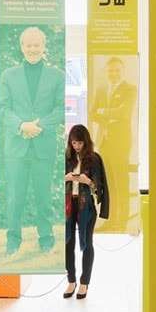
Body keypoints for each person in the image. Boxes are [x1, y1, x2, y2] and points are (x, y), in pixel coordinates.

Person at [0, 26, 66, 256]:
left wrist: (39, 125)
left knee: (44, 197)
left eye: (37, 45)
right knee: (15, 197)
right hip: (17, 148)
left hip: (43, 146)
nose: (33, 49)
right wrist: (21, 126)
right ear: (22, 47)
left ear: (43, 46)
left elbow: (60, 109)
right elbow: (3, 110)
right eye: (29, 45)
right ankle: (12, 241)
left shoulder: (57, 76)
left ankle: (46, 239)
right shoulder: (8, 75)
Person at [89, 56, 137, 230]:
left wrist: (104, 112)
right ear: (106, 72)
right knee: (108, 183)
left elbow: (124, 113)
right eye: (111, 70)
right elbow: (93, 112)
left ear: (122, 71)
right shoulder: (101, 89)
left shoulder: (130, 89)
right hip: (104, 142)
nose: (114, 73)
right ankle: (110, 219)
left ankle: (121, 221)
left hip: (120, 142)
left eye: (117, 70)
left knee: (120, 181)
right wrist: (109, 114)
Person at [63, 125, 108, 299]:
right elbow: (53, 181)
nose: (77, 146)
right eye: (74, 142)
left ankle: (84, 283)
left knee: (87, 243)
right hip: (68, 206)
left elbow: (99, 186)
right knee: (68, 242)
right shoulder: (66, 158)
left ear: (86, 142)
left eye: (80, 142)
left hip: (86, 207)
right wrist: (65, 177)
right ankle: (71, 281)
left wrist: (87, 181)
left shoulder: (94, 159)